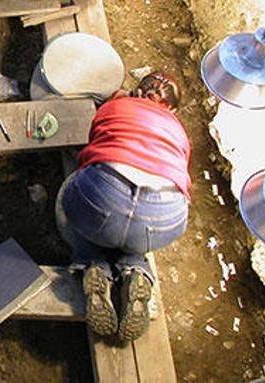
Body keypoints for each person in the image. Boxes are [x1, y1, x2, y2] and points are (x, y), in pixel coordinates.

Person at [55, 72, 190, 342]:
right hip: (163, 219)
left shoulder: (115, 106)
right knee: (133, 233)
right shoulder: (179, 132)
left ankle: (92, 263)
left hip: (104, 201)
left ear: (135, 91)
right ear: (173, 110)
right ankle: (136, 269)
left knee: (71, 198)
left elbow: (94, 145)